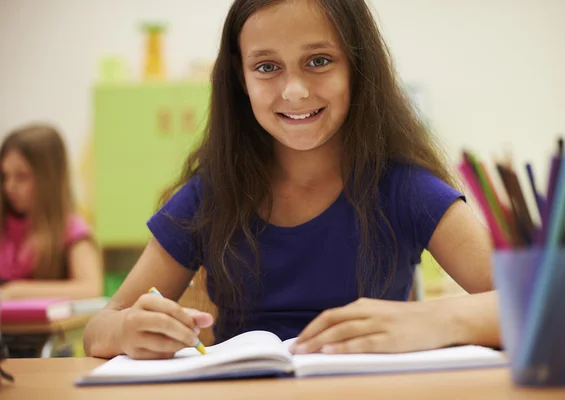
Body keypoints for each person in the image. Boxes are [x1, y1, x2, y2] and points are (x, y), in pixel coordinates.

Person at [84, 0, 499, 360]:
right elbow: (98, 329)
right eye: (267, 67)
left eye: (318, 60)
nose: (295, 90)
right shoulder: (211, 196)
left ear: (357, 66)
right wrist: (127, 331)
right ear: (240, 79)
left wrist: (430, 320)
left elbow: (537, 307)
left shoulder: (404, 188)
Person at [0, 124, 102, 299]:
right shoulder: (5, 225)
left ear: (49, 179)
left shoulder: (72, 231)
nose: (9, 186)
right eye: (4, 176)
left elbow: (91, 289)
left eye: (22, 176)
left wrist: (15, 291)